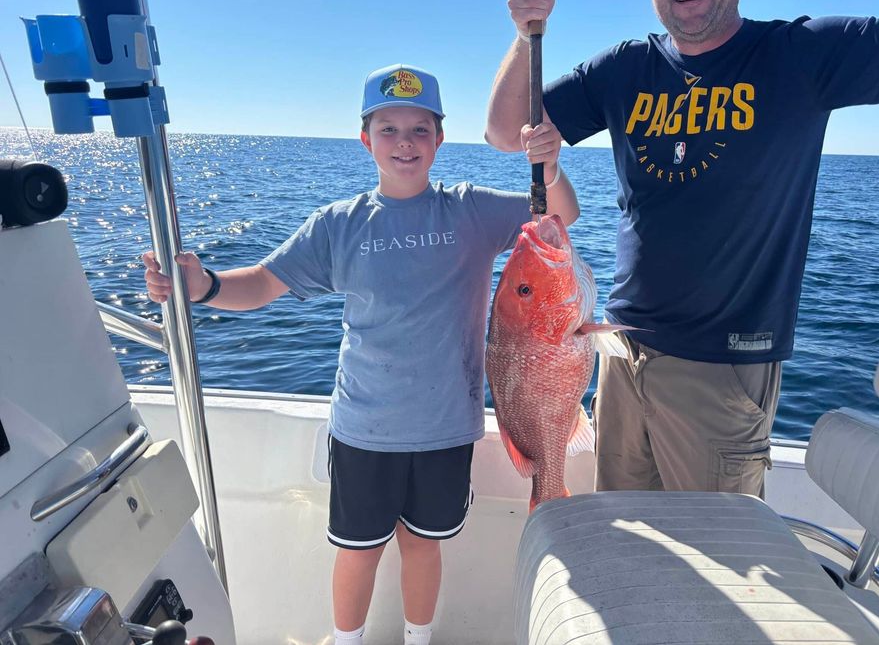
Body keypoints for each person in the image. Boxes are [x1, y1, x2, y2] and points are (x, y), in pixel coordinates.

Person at [486, 0, 879, 498]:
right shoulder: (622, 70)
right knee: (630, 547)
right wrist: (524, 32)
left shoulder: (801, 54)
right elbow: (506, 132)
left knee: (719, 564)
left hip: (721, 368)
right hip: (619, 352)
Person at [143, 64, 578, 645]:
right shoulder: (338, 225)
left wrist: (549, 165)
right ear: (365, 139)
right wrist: (206, 287)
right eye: (389, 129)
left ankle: (418, 639)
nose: (405, 143)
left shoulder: (471, 211)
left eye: (420, 130)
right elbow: (265, 283)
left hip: (446, 428)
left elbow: (561, 216)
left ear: (441, 139)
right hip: (363, 429)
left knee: (424, 546)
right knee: (358, 552)